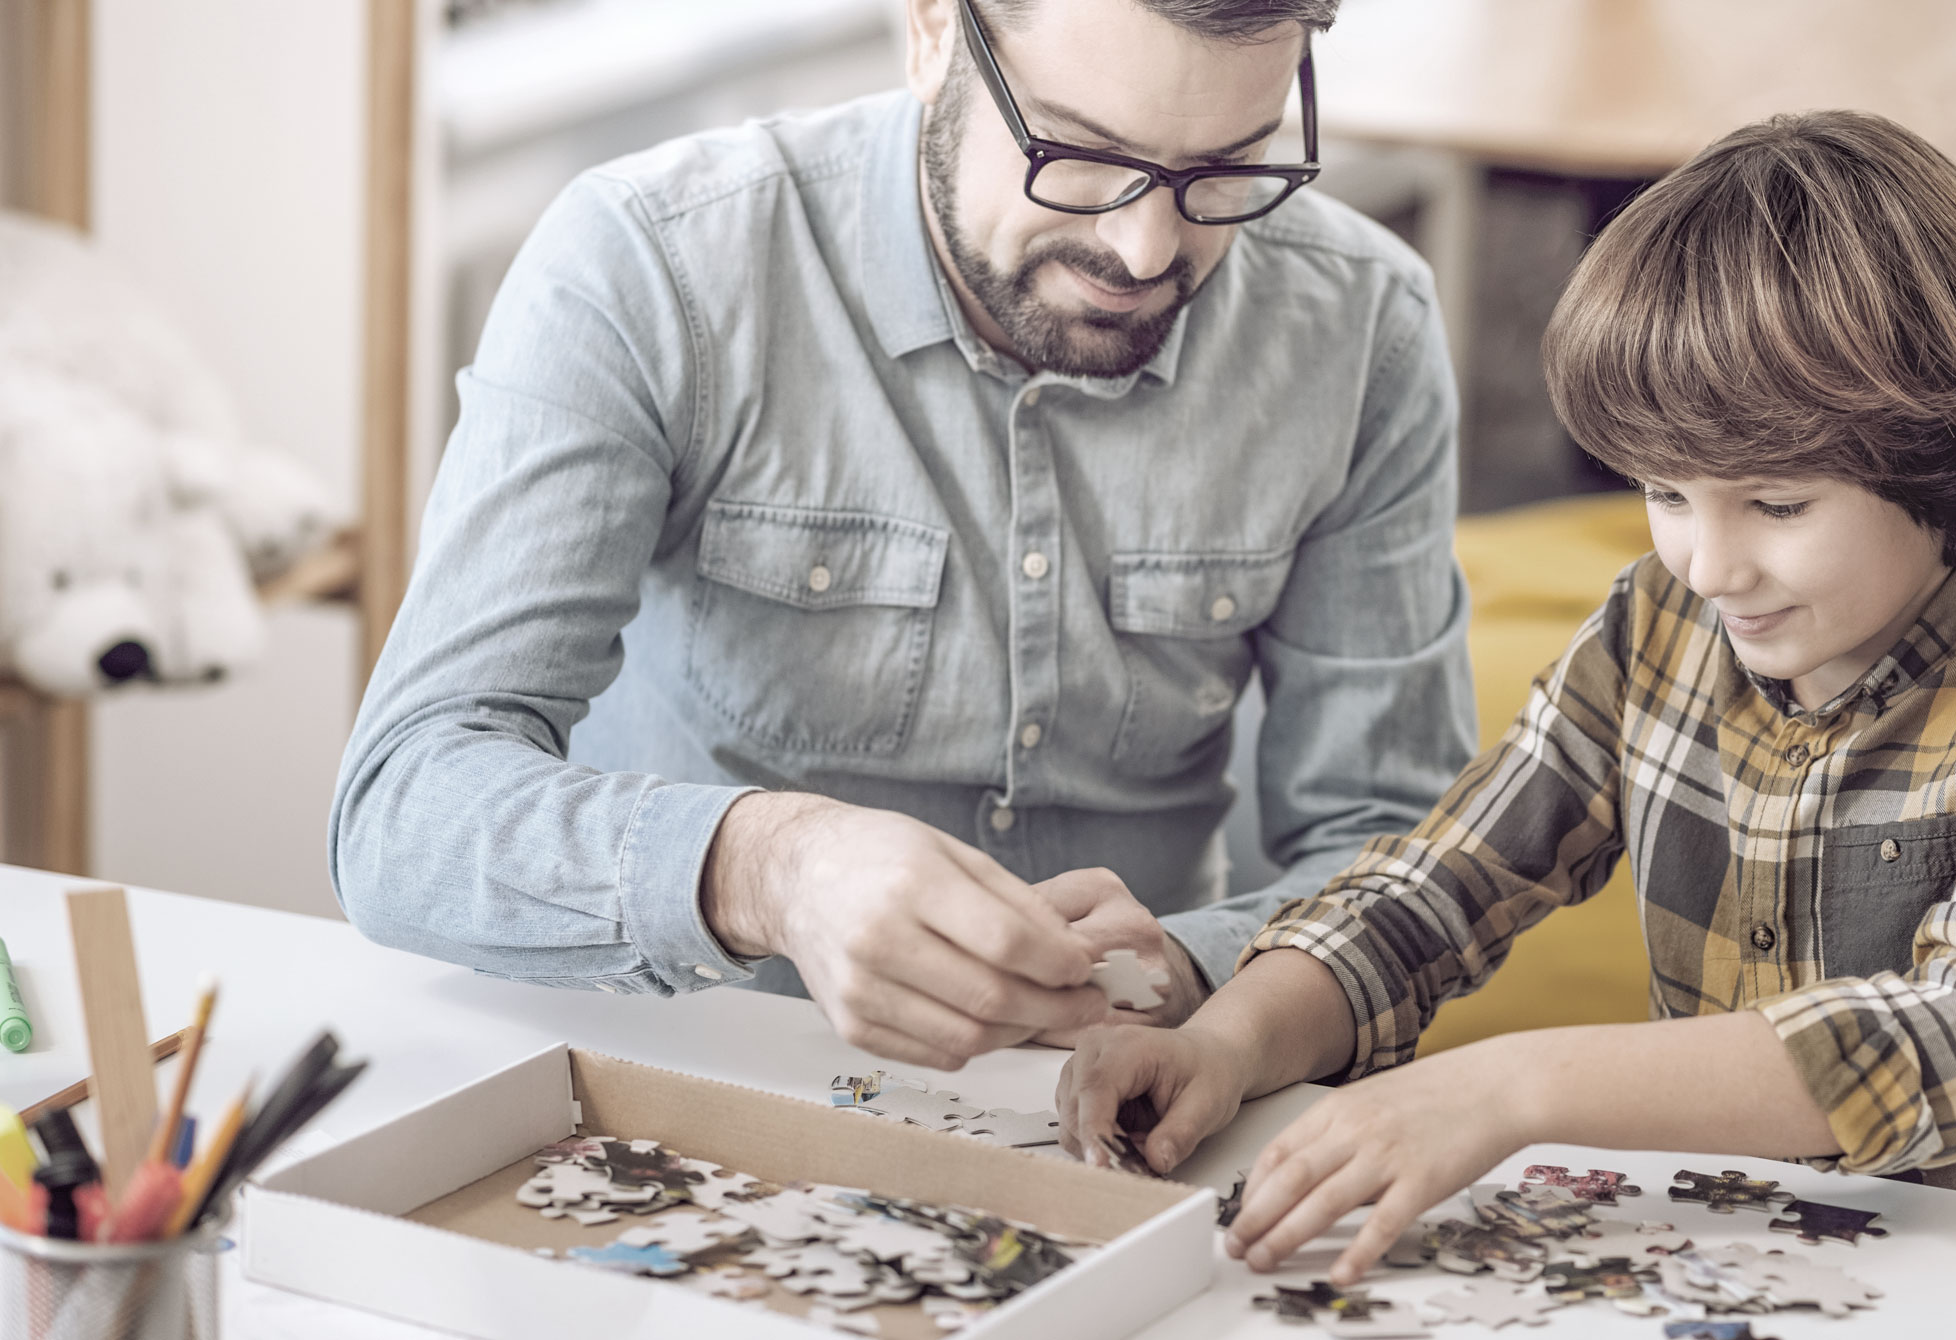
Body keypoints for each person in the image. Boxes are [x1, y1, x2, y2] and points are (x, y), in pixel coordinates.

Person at [1056, 109, 1956, 1284]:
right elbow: (1435, 888)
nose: (1707, 564)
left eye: (1777, 505)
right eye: (1664, 490)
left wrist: (1510, 1082)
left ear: (1946, 455)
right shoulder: (1658, 623)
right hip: (1714, 1265)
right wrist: (1226, 1039)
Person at [329, 0, 1475, 1071]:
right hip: (685, 1092)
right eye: (1080, 154)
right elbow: (403, 809)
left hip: (1132, 1120)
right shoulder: (654, 263)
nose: (1142, 251)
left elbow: (1402, 854)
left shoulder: (1362, 328)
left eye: (1226, 170)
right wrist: (770, 867)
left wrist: (1195, 968)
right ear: (931, 28)